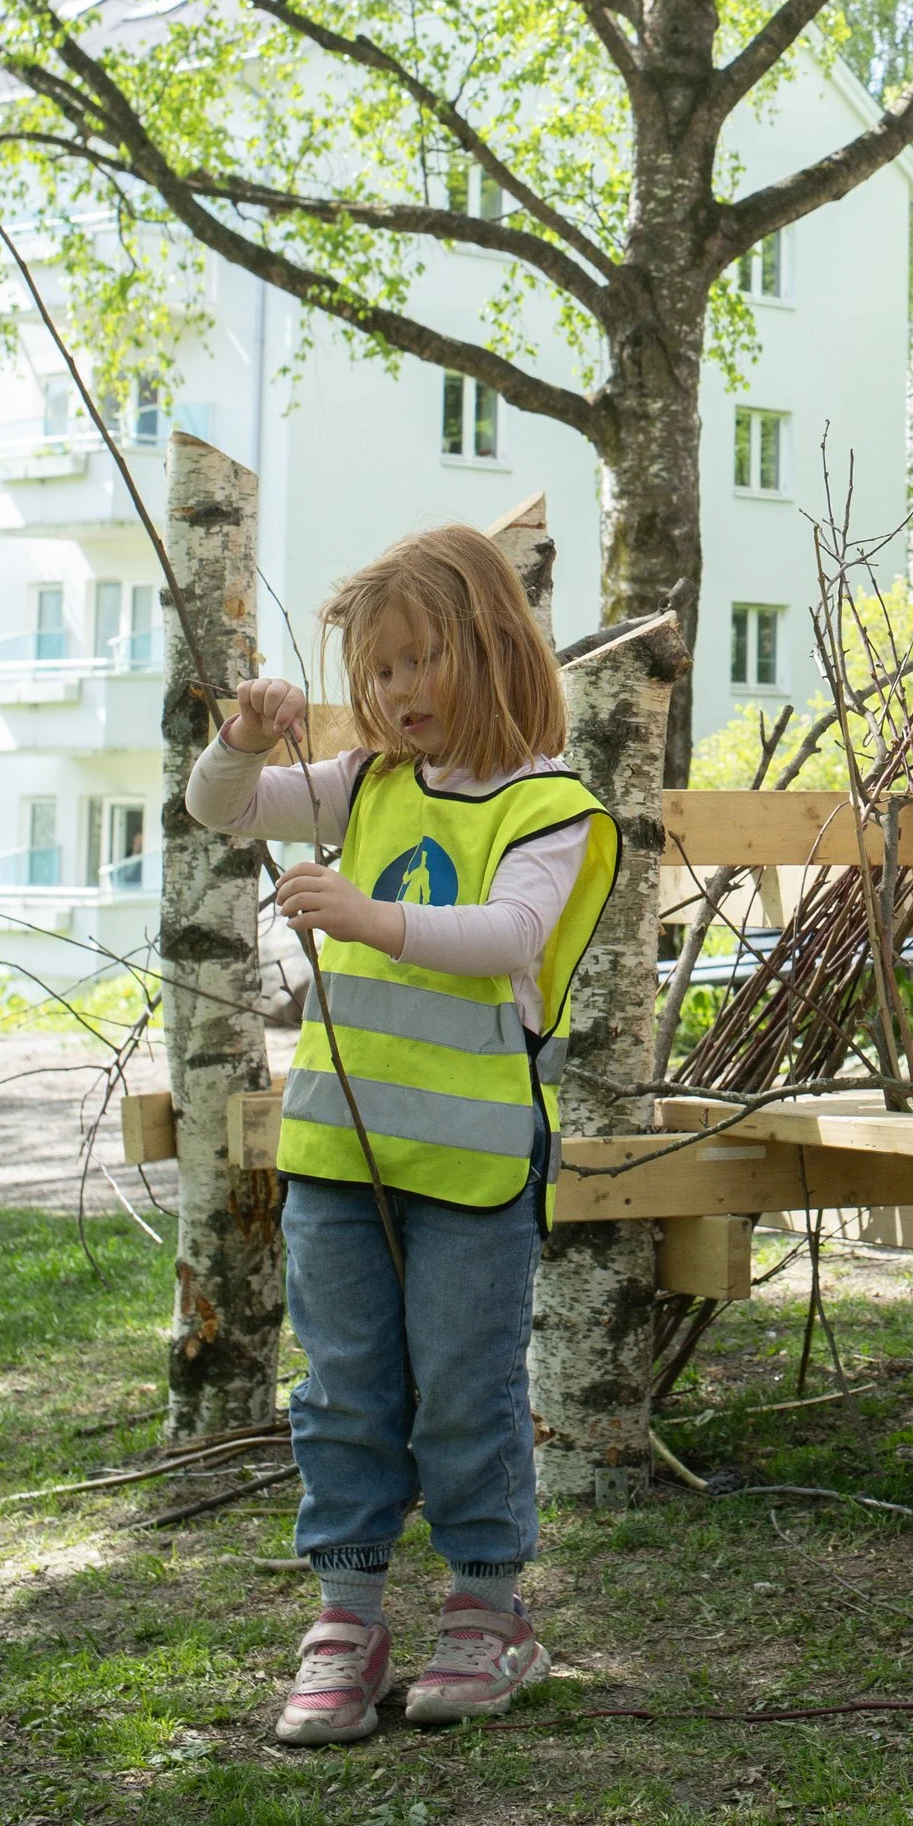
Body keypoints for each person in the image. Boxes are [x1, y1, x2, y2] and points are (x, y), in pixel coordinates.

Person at [185, 526, 619, 1748]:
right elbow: (218, 811)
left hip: (473, 1169)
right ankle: (348, 1614)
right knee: (345, 1388)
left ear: (490, 651)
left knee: (465, 1394)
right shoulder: (363, 779)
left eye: (421, 660)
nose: (394, 693)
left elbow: (509, 938)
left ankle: (488, 1607)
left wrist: (370, 917)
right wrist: (244, 738)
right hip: (337, 1156)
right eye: (375, 673)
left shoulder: (552, 807)